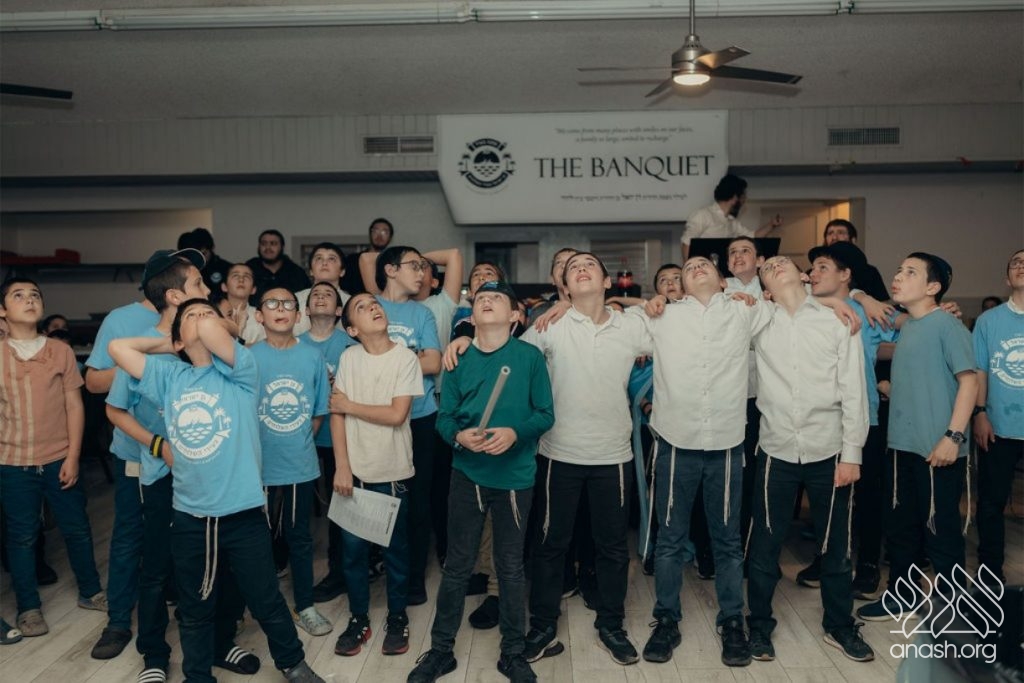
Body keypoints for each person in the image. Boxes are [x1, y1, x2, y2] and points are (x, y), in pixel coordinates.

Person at [109, 299, 325, 683]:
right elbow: (117, 348)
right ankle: (197, 675)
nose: (201, 320)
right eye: (190, 317)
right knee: (195, 607)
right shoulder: (170, 377)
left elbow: (211, 332)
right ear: (177, 341)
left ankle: (293, 664)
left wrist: (204, 329)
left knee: (265, 599)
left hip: (243, 513)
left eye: (207, 313)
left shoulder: (242, 372)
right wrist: (172, 344)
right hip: (191, 516)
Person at [106, 254, 259, 683]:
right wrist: (159, 445)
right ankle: (154, 653)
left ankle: (219, 642)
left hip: (219, 476)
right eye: (198, 285)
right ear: (175, 297)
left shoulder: (217, 345)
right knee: (157, 564)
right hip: (162, 473)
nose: (208, 291)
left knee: (222, 563)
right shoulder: (143, 349)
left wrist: (216, 328)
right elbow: (115, 410)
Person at [409, 281, 554, 683]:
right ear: (471, 316)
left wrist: (515, 433)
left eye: (497, 298)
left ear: (515, 316)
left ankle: (513, 652)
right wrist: (458, 436)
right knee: (457, 565)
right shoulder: (458, 359)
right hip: (467, 475)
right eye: (481, 299)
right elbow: (445, 418)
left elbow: (545, 414)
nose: (487, 301)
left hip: (515, 477)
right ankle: (441, 651)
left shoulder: (529, 357)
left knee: (509, 567)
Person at [637, 256, 776, 666]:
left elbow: (795, 305)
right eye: (689, 267)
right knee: (669, 539)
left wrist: (851, 298)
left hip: (727, 444)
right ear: (680, 283)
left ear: (722, 280)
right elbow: (606, 317)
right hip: (675, 442)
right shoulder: (662, 317)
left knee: (728, 540)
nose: (696, 267)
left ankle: (732, 621)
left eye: (705, 265)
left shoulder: (745, 312)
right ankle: (666, 619)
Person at [518, 252, 650, 666]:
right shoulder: (549, 325)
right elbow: (508, 357)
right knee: (549, 545)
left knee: (612, 547)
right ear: (565, 286)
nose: (580, 268)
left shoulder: (630, 326)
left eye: (590, 264)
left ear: (608, 282)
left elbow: (676, 322)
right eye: (573, 267)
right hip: (559, 452)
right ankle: (542, 625)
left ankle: (611, 624)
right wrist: (465, 339)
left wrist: (642, 303)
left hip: (613, 454)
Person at [746, 255, 874, 664]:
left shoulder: (837, 321)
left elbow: (853, 389)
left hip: (829, 447)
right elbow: (720, 300)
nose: (775, 266)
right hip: (776, 447)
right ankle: (759, 625)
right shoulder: (756, 320)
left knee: (836, 545)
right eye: (768, 268)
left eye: (783, 262)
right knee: (764, 544)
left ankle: (839, 625)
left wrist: (852, 453)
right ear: (765, 289)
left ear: (803, 275)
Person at [86, 249, 204, 660]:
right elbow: (96, 385)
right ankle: (119, 620)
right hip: (138, 451)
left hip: (190, 457)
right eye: (194, 279)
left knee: (179, 535)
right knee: (130, 535)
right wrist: (142, 360)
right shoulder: (121, 322)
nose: (204, 288)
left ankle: (187, 615)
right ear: (170, 289)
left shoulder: (198, 323)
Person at [856, 253, 977, 622]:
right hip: (901, 445)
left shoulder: (948, 325)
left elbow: (969, 382)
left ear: (933, 287)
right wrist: (891, 387)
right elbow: (858, 298)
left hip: (938, 446)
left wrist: (953, 437)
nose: (898, 276)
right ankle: (902, 595)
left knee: (940, 530)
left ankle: (953, 607)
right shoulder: (907, 325)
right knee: (901, 528)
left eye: (910, 272)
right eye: (899, 270)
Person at [0, 278, 107, 638]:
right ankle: (28, 608)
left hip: (59, 457)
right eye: (18, 296)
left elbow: (74, 406)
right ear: (3, 310)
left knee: (77, 528)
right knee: (22, 537)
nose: (29, 300)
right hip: (12, 462)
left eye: (35, 295)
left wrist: (73, 456)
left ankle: (91, 591)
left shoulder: (60, 351)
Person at [329, 292, 423, 658]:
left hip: (393, 472)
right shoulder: (349, 358)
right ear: (352, 329)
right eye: (362, 307)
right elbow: (336, 415)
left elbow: (397, 414)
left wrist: (350, 404)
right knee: (353, 554)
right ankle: (359, 619)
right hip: (354, 473)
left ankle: (397, 617)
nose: (373, 307)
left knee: (396, 551)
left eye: (375, 303)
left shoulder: (405, 358)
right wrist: (342, 466)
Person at [806, 242, 900, 599]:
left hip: (863, 417)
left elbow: (910, 328)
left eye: (823, 267)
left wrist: (941, 311)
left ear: (846, 275)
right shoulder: (805, 308)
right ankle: (827, 558)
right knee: (826, 495)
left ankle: (869, 564)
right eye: (813, 268)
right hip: (819, 417)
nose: (813, 273)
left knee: (867, 494)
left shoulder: (865, 310)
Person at [250, 286, 333, 636]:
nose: (280, 308)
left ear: (298, 316)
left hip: (299, 463)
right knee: (259, 539)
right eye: (272, 303)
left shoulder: (312, 357)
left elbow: (318, 412)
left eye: (288, 304)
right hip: (257, 466)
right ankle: (261, 606)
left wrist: (297, 442)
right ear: (259, 315)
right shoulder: (247, 357)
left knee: (299, 537)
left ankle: (305, 605)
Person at [364, 245, 442, 606]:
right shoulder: (368, 306)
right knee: (377, 497)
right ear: (391, 269)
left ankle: (413, 578)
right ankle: (380, 569)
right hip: (374, 417)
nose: (422, 273)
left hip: (420, 416)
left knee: (418, 500)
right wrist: (410, 355)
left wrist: (384, 356)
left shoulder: (422, 313)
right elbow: (358, 359)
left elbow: (433, 363)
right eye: (415, 266)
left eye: (424, 267)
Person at [302, 282, 358, 604]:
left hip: (341, 436)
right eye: (315, 295)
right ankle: (295, 572)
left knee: (341, 508)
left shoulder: (351, 346)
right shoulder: (294, 344)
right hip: (303, 438)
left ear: (339, 310)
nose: (321, 297)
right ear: (306, 310)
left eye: (328, 295)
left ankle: (340, 573)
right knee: (302, 511)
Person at [971, 249, 1023, 588]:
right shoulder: (989, 321)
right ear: (1007, 278)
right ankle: (990, 574)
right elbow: (980, 370)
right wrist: (980, 413)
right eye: (1016, 263)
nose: (1021, 266)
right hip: (998, 426)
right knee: (991, 503)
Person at [681, 174, 782, 261]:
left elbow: (752, 237)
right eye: (743, 197)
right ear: (735, 198)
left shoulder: (732, 222)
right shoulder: (703, 215)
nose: (744, 200)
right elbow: (686, 243)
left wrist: (771, 224)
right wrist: (689, 272)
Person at [820, 219, 890, 303]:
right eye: (830, 233)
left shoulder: (869, 272)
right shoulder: (815, 272)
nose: (834, 237)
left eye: (840, 232)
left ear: (853, 240)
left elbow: (883, 302)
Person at [293, 242, 351, 337]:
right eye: (319, 258)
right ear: (311, 271)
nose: (324, 263)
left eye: (331, 259)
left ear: (342, 271)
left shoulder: (352, 303)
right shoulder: (294, 300)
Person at [246, 229, 311, 297]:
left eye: (273, 243)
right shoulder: (249, 270)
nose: (268, 247)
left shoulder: (296, 273)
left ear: (282, 247)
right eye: (264, 243)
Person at [341, 217, 394, 295]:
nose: (379, 236)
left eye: (384, 232)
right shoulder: (353, 260)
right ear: (370, 234)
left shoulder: (393, 262)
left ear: (390, 237)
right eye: (375, 231)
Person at [218, 263, 266, 345]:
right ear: (224, 287)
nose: (241, 280)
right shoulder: (215, 313)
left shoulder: (262, 316)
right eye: (235, 276)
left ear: (253, 289)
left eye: (247, 277)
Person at [179, 228, 232, 301]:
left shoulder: (225, 268)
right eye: (198, 255)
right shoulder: (191, 269)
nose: (202, 258)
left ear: (211, 249)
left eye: (204, 253)